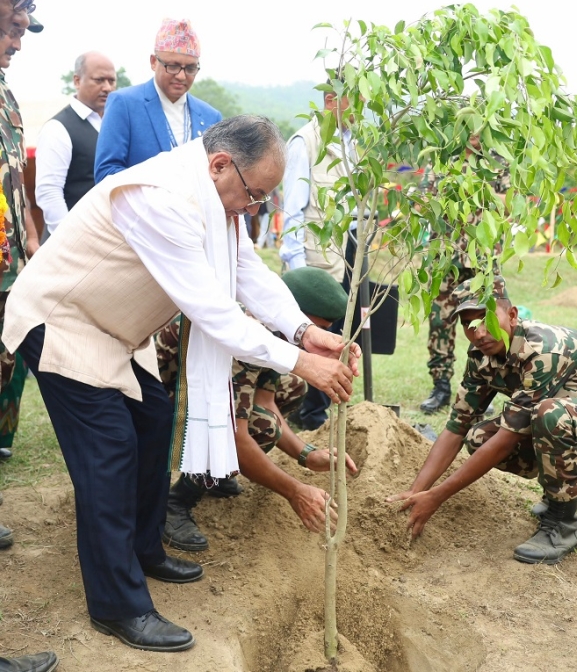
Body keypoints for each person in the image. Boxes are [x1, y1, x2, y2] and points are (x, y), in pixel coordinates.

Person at [2, 115, 360, 653]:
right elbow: (214, 311)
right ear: (221, 165)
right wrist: (299, 363)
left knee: (152, 421)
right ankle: (117, 605)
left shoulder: (217, 196)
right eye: (254, 195)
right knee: (110, 452)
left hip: (117, 330)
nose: (254, 208)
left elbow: (247, 273)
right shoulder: (162, 197)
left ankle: (144, 549)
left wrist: (304, 331)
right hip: (64, 321)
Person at [157, 265, 357, 551]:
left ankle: (216, 472)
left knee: (293, 387)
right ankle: (175, 501)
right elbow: (238, 438)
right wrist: (295, 492)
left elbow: (266, 402)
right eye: (318, 329)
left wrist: (307, 455)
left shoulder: (275, 334)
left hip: (193, 395)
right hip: (152, 406)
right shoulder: (244, 337)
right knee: (257, 430)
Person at [389, 275, 577, 565]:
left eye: (486, 319)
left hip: (565, 417)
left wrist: (437, 497)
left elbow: (507, 441)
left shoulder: (542, 351)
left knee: (549, 415)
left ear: (512, 315)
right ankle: (559, 496)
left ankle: (565, 523)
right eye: (468, 324)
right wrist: (418, 491)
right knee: (478, 438)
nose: (478, 333)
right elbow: (457, 426)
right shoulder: (480, 355)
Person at [0, 0, 59, 668]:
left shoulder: (7, 99)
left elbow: (17, 193)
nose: (20, 32)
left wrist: (40, 263)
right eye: (17, 9)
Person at [280, 89, 355, 431]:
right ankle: (301, 413)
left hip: (337, 259)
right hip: (310, 266)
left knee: (332, 339)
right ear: (330, 99)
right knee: (304, 339)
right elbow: (293, 210)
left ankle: (314, 412)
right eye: (357, 98)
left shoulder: (350, 142)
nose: (362, 107)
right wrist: (297, 274)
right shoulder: (305, 142)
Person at [419, 137, 509, 414]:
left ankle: (485, 388)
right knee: (440, 321)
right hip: (445, 256)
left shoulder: (497, 161)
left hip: (483, 258)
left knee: (487, 322)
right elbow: (423, 203)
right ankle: (441, 387)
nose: (474, 135)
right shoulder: (441, 159)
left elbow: (506, 206)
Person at [94, 18, 221, 183]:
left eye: (190, 68)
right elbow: (106, 173)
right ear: (154, 62)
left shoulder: (211, 117)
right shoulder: (124, 104)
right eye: (173, 66)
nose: (181, 76)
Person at [35, 52, 116, 237]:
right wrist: (70, 239)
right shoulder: (58, 129)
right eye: (99, 80)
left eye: (111, 81)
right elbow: (49, 192)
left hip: (107, 239)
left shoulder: (113, 123)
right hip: (71, 243)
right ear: (77, 81)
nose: (107, 87)